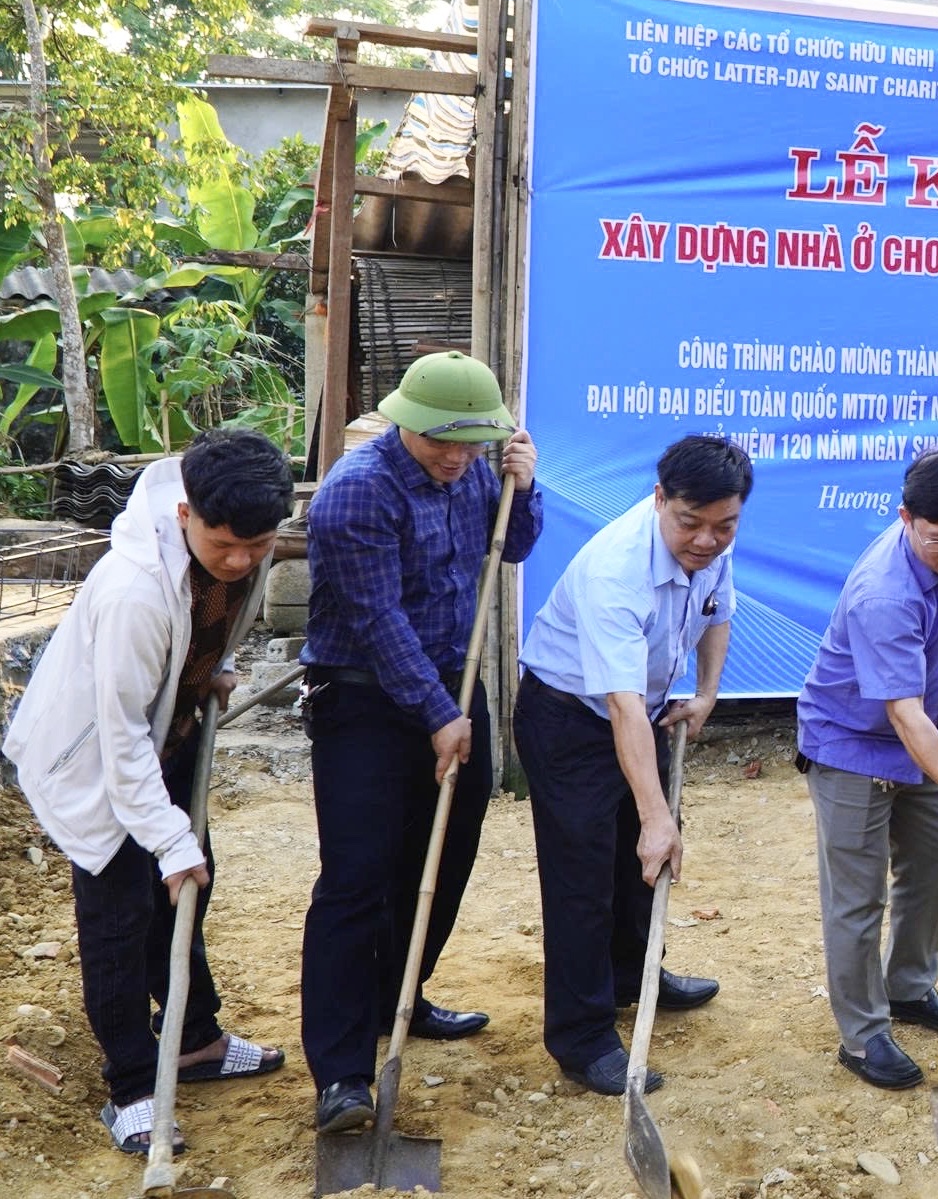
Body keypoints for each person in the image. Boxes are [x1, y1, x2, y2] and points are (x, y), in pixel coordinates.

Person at [4, 429, 294, 1154]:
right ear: (185, 514)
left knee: (190, 885)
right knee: (120, 917)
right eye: (225, 544)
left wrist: (210, 670)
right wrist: (166, 840)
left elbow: (209, 624)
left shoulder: (246, 545)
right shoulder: (134, 589)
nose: (239, 560)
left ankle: (193, 1038)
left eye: (255, 545)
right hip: (97, 758)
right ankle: (131, 1085)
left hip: (167, 731)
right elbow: (120, 738)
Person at [299, 351, 540, 1133]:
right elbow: (377, 623)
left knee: (441, 855)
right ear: (405, 421)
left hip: (447, 687)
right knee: (356, 877)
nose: (455, 456)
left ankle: (398, 994)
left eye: (470, 442)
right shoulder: (355, 493)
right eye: (442, 440)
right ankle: (341, 1073)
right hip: (363, 702)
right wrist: (441, 713)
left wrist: (523, 486)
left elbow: (516, 545)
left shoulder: (477, 472)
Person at [514, 435, 746, 1094]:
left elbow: (718, 611)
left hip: (635, 712)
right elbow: (618, 706)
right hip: (567, 716)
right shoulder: (616, 569)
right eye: (690, 523)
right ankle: (581, 1035)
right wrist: (655, 815)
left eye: (723, 525)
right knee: (584, 875)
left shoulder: (714, 544)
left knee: (635, 869)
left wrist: (704, 693)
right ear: (658, 500)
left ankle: (631, 972)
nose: (706, 539)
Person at [797, 449, 938, 1090]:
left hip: (923, 733)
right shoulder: (883, 593)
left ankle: (909, 988)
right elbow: (903, 716)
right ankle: (862, 1035)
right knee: (858, 898)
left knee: (935, 863)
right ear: (906, 519)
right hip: (853, 742)